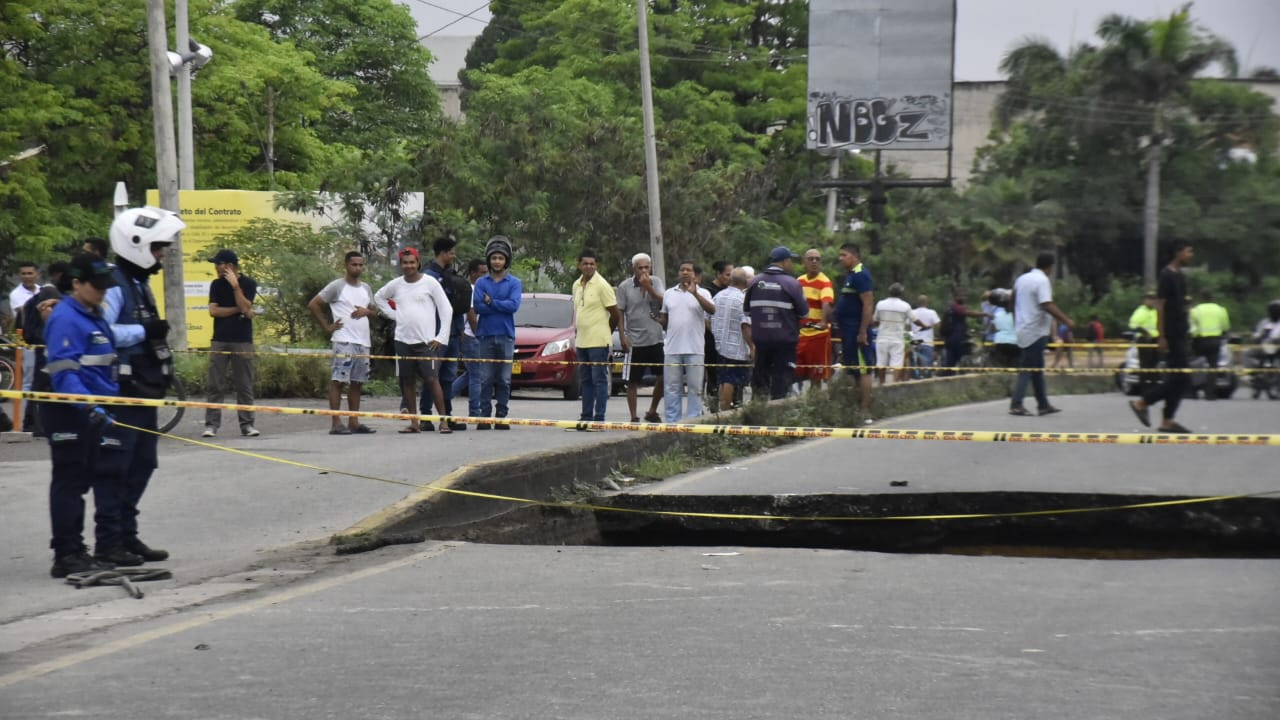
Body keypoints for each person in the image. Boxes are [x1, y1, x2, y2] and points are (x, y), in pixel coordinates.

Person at [96, 206, 186, 565]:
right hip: (121, 391)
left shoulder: (140, 284)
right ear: (136, 244)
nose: (161, 254)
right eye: (157, 247)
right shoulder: (114, 286)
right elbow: (100, 334)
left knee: (143, 463)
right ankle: (108, 542)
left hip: (144, 390)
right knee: (116, 466)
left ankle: (127, 534)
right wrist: (142, 332)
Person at [41, 253, 128, 577]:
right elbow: (64, 372)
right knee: (70, 481)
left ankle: (78, 549)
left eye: (106, 286)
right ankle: (66, 554)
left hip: (94, 411)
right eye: (97, 286)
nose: (103, 291)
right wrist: (89, 405)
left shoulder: (94, 313)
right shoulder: (66, 318)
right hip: (70, 413)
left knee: (87, 476)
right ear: (76, 284)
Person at [375, 248, 453, 434]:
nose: (409, 266)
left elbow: (446, 309)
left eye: (412, 262)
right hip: (402, 340)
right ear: (401, 264)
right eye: (405, 262)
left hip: (427, 342)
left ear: (418, 263)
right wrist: (394, 315)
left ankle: (443, 421)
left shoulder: (430, 282)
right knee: (407, 381)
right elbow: (379, 297)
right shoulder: (396, 284)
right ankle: (414, 422)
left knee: (432, 379)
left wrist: (441, 337)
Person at [1129, 242, 1195, 433]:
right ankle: (1143, 403)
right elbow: (1161, 306)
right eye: (1188, 250)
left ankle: (1167, 420)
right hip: (1171, 334)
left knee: (1180, 377)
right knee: (1181, 376)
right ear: (1178, 252)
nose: (1191, 254)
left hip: (1182, 332)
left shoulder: (1181, 276)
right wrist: (1162, 335)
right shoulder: (1166, 275)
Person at [308, 251, 377, 435]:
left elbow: (374, 310)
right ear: (346, 265)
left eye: (361, 265)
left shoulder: (366, 288)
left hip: (363, 341)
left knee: (357, 382)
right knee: (339, 380)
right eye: (354, 264)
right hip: (344, 339)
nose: (358, 268)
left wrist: (367, 312)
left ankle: (353, 420)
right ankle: (336, 422)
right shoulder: (337, 286)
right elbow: (314, 304)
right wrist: (327, 326)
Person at [1009, 253, 1075, 416]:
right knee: (1028, 368)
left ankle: (1043, 405)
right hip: (1036, 330)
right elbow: (1046, 304)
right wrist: (1066, 320)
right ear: (1050, 267)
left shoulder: (1022, 279)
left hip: (1024, 328)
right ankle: (1016, 404)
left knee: (1037, 369)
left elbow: (1012, 300)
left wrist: (1017, 319)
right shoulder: (1042, 280)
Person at [203, 249, 259, 438]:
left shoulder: (249, 283)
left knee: (244, 384)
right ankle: (211, 425)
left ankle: (247, 425)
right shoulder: (216, 285)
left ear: (229, 266)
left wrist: (236, 287)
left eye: (218, 264)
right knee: (215, 384)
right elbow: (214, 311)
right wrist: (240, 311)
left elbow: (246, 306)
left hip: (242, 340)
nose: (216, 268)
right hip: (219, 340)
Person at [743, 247, 807, 401]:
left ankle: (757, 414)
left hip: (761, 340)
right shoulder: (792, 284)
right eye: (790, 260)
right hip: (785, 342)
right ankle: (778, 415)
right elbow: (804, 313)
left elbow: (746, 311)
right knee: (781, 382)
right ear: (784, 262)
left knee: (760, 379)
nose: (791, 264)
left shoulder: (754, 282)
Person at [470, 237, 521, 430]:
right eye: (494, 258)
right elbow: (479, 307)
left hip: (506, 335)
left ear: (506, 260)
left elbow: (513, 306)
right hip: (485, 335)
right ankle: (485, 415)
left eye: (500, 258)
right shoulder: (482, 282)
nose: (497, 261)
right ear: (489, 260)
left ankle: (501, 415)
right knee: (485, 378)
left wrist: (492, 302)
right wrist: (498, 304)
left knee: (504, 379)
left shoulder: (514, 282)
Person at [423, 236, 473, 431]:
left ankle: (447, 415)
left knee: (447, 377)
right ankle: (425, 416)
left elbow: (456, 306)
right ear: (442, 253)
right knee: (431, 376)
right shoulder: (428, 277)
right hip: (436, 335)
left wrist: (460, 329)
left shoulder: (451, 274)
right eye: (451, 252)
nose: (454, 255)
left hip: (453, 334)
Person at [659, 260, 715, 421]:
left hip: (695, 348)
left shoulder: (703, 293)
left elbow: (712, 310)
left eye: (688, 270)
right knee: (671, 388)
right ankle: (672, 421)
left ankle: (693, 420)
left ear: (694, 274)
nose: (685, 272)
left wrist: (694, 293)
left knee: (695, 388)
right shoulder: (669, 293)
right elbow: (665, 319)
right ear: (678, 273)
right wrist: (658, 319)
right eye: (682, 269)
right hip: (672, 349)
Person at [18, 261, 69, 436]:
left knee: (38, 385)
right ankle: (38, 424)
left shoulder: (43, 293)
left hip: (39, 345)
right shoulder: (51, 294)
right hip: (47, 346)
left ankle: (31, 423)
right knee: (44, 385)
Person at [572, 249, 620, 426]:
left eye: (592, 263)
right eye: (585, 263)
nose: (589, 266)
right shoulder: (577, 285)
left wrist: (606, 331)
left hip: (598, 341)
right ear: (579, 265)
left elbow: (615, 313)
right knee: (585, 380)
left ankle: (599, 418)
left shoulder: (602, 285)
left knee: (598, 380)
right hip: (582, 341)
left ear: (596, 265)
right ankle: (586, 416)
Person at [615, 252, 666, 423]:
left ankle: (652, 410)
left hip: (656, 337)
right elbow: (620, 312)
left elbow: (663, 301)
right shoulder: (625, 287)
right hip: (635, 340)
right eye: (640, 268)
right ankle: (633, 416)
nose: (644, 270)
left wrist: (649, 287)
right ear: (633, 269)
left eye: (646, 267)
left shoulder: (656, 282)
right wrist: (622, 335)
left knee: (663, 377)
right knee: (632, 381)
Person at [834, 243, 875, 420]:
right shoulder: (850, 276)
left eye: (844, 255)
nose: (840, 258)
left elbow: (867, 304)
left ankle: (864, 410)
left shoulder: (861, 275)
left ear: (854, 256)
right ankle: (852, 408)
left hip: (857, 331)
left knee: (863, 370)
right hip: (847, 331)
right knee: (853, 370)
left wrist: (863, 331)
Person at [712, 267, 754, 411]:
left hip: (720, 346)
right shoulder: (743, 300)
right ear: (745, 281)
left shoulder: (718, 296)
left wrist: (716, 333)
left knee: (723, 379)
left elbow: (707, 318)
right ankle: (726, 412)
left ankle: (721, 408)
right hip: (736, 347)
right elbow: (746, 325)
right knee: (731, 380)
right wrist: (752, 346)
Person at [795, 249, 835, 391]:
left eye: (817, 259)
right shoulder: (799, 281)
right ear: (804, 262)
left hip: (817, 335)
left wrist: (823, 321)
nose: (814, 262)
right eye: (811, 259)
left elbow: (827, 302)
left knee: (816, 375)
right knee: (795, 371)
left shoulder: (824, 282)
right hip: (800, 334)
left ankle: (815, 404)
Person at [9, 261, 40, 429]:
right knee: (28, 379)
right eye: (24, 274)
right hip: (26, 342)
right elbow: (23, 312)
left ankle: (40, 417)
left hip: (42, 341)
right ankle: (30, 418)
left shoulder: (42, 291)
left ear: (37, 274)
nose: (27, 277)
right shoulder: (16, 294)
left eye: (30, 273)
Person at [451, 258, 487, 400]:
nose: (486, 276)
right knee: (477, 375)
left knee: (471, 373)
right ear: (473, 273)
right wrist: (480, 336)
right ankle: (475, 411)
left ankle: (446, 397)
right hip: (472, 337)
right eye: (482, 273)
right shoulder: (471, 290)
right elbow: (472, 317)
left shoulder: (480, 289)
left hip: (472, 337)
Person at [872, 282, 922, 383]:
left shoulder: (880, 304)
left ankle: (881, 384)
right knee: (897, 365)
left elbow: (875, 321)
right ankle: (894, 385)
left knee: (881, 363)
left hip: (882, 338)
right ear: (901, 293)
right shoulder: (905, 306)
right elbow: (915, 320)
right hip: (897, 340)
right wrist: (924, 325)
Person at [702, 260, 733, 408]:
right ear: (719, 274)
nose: (731, 278)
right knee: (713, 373)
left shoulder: (732, 291)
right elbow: (705, 318)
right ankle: (713, 404)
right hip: (712, 340)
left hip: (728, 341)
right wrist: (716, 333)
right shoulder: (708, 292)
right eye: (728, 275)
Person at [942, 288, 988, 371]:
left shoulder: (950, 308)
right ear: (956, 297)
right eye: (962, 296)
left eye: (965, 296)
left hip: (951, 338)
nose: (964, 298)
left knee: (951, 363)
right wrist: (984, 314)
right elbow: (969, 313)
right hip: (956, 339)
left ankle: (949, 376)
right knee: (961, 362)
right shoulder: (956, 307)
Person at [1189, 289, 1230, 372]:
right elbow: (1226, 327)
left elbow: (1192, 330)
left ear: (1200, 298)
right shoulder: (1221, 310)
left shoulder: (1195, 310)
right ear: (1212, 298)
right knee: (1213, 365)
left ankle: (1199, 381)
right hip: (1215, 341)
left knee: (1196, 363)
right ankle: (1212, 383)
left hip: (1200, 341)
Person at [1128, 290, 1161, 391]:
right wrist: (1144, 332)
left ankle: (1154, 386)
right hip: (1144, 340)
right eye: (1149, 299)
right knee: (1145, 364)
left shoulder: (1157, 311)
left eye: (1153, 299)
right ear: (1144, 300)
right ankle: (1144, 388)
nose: (1151, 301)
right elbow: (1132, 325)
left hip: (1155, 340)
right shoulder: (1140, 311)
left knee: (1154, 365)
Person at [910, 294, 940, 378]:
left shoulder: (912, 312)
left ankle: (917, 377)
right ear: (926, 302)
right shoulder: (932, 312)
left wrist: (908, 339)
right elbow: (938, 325)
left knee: (915, 363)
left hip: (915, 341)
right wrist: (939, 335)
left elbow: (907, 327)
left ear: (917, 302)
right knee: (927, 365)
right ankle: (926, 379)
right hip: (927, 342)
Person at [989, 290, 1019, 367]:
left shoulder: (997, 314)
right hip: (1014, 342)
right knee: (1015, 366)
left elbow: (992, 329)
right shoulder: (1017, 315)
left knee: (1001, 366)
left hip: (999, 342)